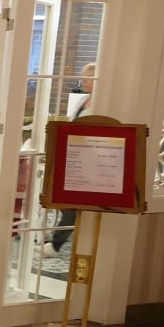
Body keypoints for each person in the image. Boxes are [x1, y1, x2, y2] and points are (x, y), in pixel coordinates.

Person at [46, 63, 97, 256]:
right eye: (83, 78)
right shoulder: (83, 100)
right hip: (76, 154)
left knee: (73, 203)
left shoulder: (102, 102)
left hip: (92, 158)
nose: (83, 82)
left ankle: (57, 244)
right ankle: (57, 241)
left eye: (87, 79)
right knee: (67, 200)